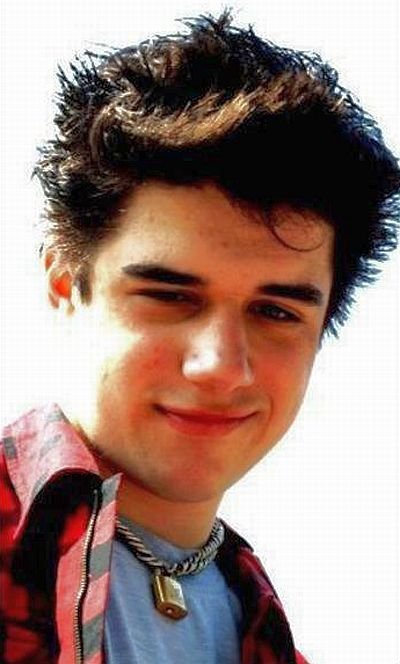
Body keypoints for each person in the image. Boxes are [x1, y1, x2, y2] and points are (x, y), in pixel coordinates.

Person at [1, 10, 399, 664]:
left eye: (276, 312)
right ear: (65, 282)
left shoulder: (260, 626)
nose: (220, 366)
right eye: (170, 296)